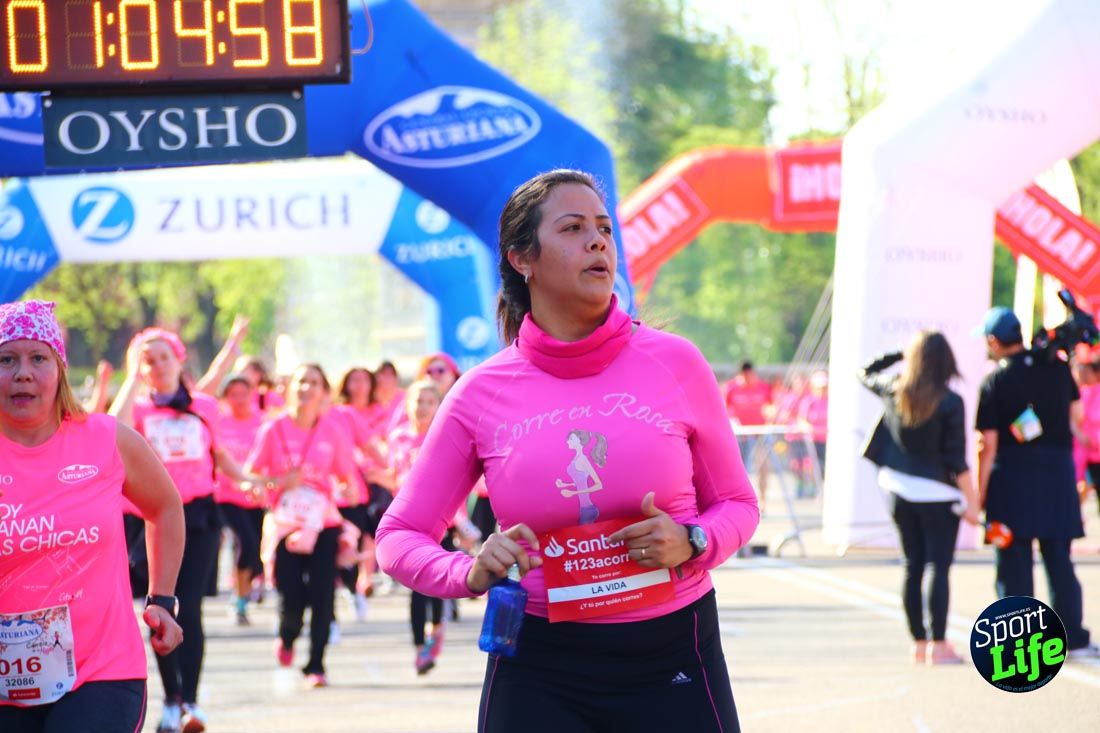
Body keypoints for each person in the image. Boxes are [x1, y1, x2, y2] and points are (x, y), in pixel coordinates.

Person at [376, 169, 759, 732]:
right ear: (522, 259)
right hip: (537, 665)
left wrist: (694, 539)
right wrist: (467, 572)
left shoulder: (676, 363)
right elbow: (397, 536)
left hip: (672, 653)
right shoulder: (480, 393)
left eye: (604, 228)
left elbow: (738, 504)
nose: (599, 241)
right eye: (574, 228)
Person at [0, 300, 185, 732]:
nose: (22, 372)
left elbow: (164, 506)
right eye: (6, 359)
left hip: (101, 671)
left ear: (59, 369)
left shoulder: (106, 440)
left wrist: (162, 599)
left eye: (38, 358)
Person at [110, 327, 257, 733]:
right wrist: (131, 382)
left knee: (189, 608)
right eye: (147, 359)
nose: (156, 365)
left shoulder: (204, 406)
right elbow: (111, 430)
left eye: (163, 357)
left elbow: (220, 454)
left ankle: (191, 702)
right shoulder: (138, 409)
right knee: (162, 609)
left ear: (179, 360)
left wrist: (245, 479)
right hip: (152, 517)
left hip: (199, 517)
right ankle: (170, 700)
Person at [975, 307, 1098, 658]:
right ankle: (1071, 637)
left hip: (1009, 481)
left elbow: (988, 443)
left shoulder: (995, 380)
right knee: (1058, 556)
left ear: (994, 341)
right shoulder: (1057, 368)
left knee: (1012, 561)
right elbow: (1076, 417)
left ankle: (1019, 644)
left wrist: (979, 493)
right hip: (1056, 477)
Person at [859, 331, 980, 664]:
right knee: (937, 568)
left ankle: (918, 644)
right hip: (939, 495)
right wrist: (973, 503)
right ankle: (939, 645)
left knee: (912, 566)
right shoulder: (951, 401)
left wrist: (901, 354)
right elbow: (957, 460)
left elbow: (864, 372)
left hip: (898, 489)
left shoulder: (895, 389)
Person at [244, 363, 359, 688]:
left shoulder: (331, 431)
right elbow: (249, 476)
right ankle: (288, 636)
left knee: (322, 593)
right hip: (284, 523)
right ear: (289, 388)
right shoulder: (273, 429)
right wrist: (279, 480)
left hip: (321, 523)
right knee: (291, 594)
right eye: (301, 381)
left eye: (314, 383)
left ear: (324, 392)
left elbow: (346, 476)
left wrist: (348, 489)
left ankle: (316, 665)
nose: (306, 388)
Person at [212, 374, 266, 626]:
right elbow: (216, 459)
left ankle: (245, 593)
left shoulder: (263, 423)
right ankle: (239, 600)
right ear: (225, 398)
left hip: (257, 498)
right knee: (246, 542)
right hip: (227, 496)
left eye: (244, 394)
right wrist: (237, 479)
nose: (239, 399)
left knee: (253, 550)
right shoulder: (219, 423)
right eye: (233, 395)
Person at [724, 360, 772, 507]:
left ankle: (763, 500)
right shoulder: (731, 388)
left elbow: (770, 407)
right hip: (740, 436)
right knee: (740, 469)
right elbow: (724, 409)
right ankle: (741, 501)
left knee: (763, 466)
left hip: (760, 434)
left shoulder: (763, 387)